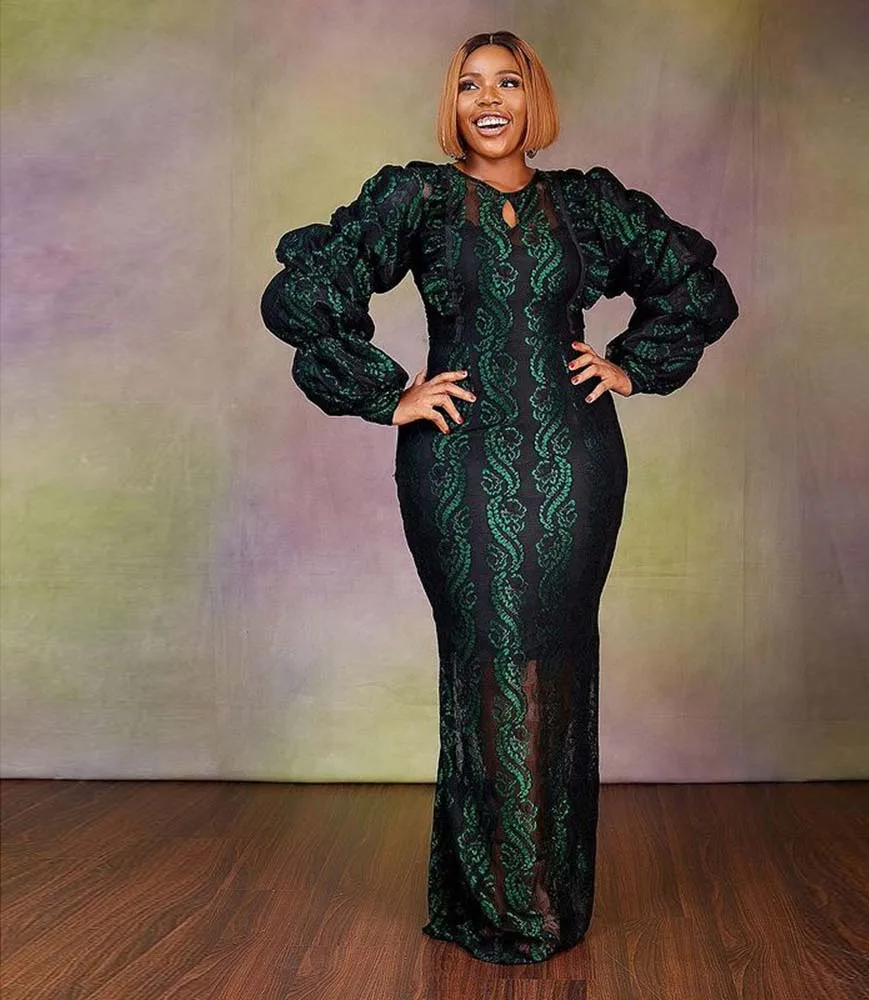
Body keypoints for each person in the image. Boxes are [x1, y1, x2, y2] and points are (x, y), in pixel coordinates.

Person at [260, 30, 739, 965]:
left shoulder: (587, 205)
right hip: (457, 461)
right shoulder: (419, 199)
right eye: (471, 85)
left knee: (555, 660)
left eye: (507, 83)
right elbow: (306, 293)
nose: (490, 100)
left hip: (575, 458)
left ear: (533, 99)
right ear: (453, 104)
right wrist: (389, 393)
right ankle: (495, 898)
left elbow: (696, 290)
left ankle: (546, 898)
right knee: (485, 658)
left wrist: (630, 365)